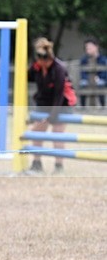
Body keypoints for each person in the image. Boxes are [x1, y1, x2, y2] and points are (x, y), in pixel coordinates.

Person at [26, 37, 77, 174]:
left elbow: (59, 95)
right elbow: (27, 77)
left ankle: (59, 166)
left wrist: (52, 117)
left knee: (57, 134)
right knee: (37, 132)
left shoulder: (59, 69)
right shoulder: (37, 67)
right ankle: (36, 163)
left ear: (47, 59)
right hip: (44, 103)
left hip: (62, 104)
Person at [79, 38, 106, 108]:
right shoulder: (84, 60)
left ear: (96, 47)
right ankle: (83, 107)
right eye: (86, 48)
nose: (88, 49)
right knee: (83, 84)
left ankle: (103, 107)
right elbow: (82, 73)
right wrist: (90, 79)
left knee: (101, 83)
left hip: (100, 79)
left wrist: (97, 78)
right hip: (87, 80)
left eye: (90, 47)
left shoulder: (103, 59)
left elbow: (104, 73)